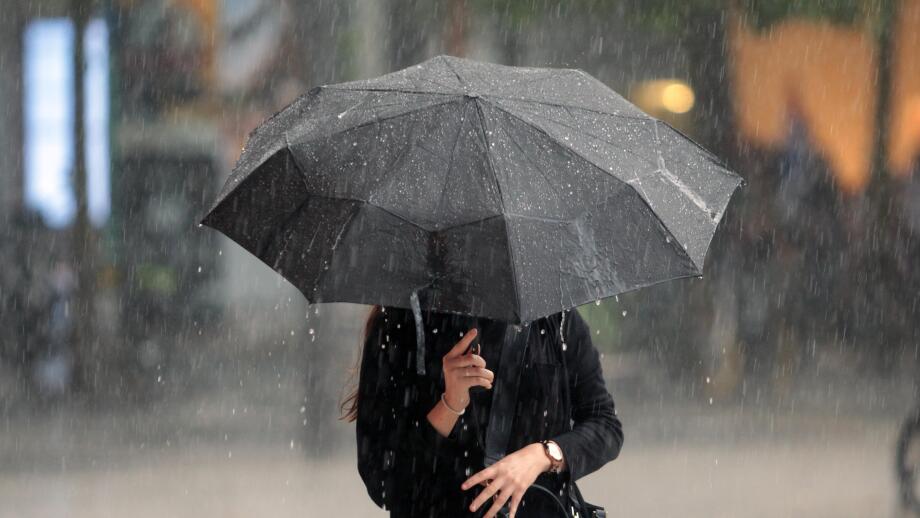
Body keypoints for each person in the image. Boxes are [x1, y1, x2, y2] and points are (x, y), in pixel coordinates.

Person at [339, 304, 623, 517]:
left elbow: (604, 425)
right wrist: (450, 403)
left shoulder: (554, 319)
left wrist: (543, 455)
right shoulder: (402, 321)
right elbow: (383, 482)